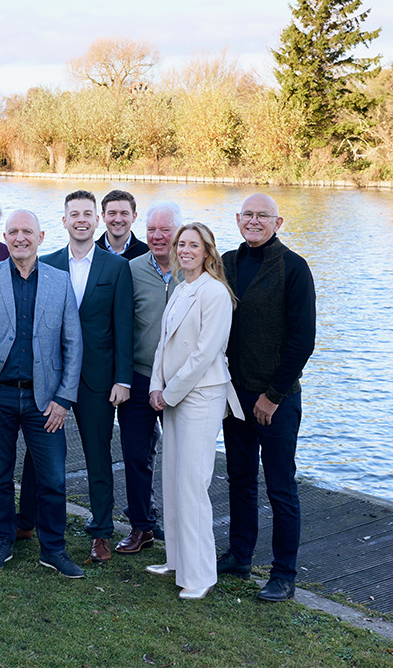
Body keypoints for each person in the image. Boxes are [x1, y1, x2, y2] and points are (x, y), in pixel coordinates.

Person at [0, 210, 84, 576]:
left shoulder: (60, 282)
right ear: (5, 236)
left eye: (27, 231)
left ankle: (54, 549)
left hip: (44, 400)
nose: (20, 238)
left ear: (41, 236)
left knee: (53, 478)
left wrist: (63, 399)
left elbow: (73, 344)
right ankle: (2, 542)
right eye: (12, 232)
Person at [17, 190, 133, 563]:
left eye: (87, 213)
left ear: (96, 220)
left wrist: (123, 379)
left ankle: (100, 532)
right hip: (51, 378)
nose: (81, 219)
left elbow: (124, 328)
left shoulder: (115, 268)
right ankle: (26, 520)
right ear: (64, 220)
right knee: (39, 454)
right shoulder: (46, 264)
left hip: (98, 380)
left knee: (98, 456)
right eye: (74, 214)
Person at [217, 193, 316, 602]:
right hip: (234, 396)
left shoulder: (294, 268)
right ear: (238, 219)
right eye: (248, 215)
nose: (254, 221)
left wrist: (273, 397)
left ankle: (283, 574)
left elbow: (302, 340)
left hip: (276, 399)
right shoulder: (226, 262)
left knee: (280, 487)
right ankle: (240, 556)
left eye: (263, 216)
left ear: (279, 222)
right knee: (239, 479)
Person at [146, 223, 244, 600]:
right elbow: (163, 345)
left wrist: (170, 393)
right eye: (181, 244)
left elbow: (205, 353)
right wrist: (157, 385)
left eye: (193, 245)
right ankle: (177, 559)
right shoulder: (181, 287)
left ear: (207, 252)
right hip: (172, 395)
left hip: (200, 396)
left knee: (192, 483)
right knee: (172, 479)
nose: (185, 250)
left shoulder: (215, 292)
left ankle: (201, 573)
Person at [116, 201, 182, 555]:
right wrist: (122, 378)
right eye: (152, 230)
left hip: (182, 382)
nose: (158, 237)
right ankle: (142, 526)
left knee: (182, 458)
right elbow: (122, 326)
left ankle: (180, 529)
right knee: (136, 455)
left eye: (166, 230)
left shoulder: (197, 269)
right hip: (140, 378)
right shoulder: (132, 270)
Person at [95, 189, 149, 260]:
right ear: (103, 216)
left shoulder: (147, 254)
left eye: (124, 213)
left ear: (134, 216)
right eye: (112, 213)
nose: (118, 220)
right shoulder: (91, 252)